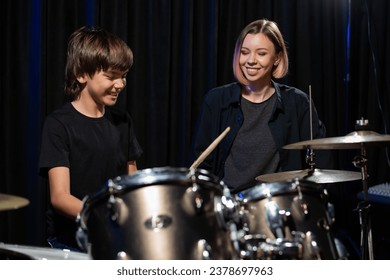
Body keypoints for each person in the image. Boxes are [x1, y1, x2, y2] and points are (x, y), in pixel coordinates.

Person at [191, 19, 332, 194]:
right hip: (228, 208)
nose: (251, 60)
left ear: (277, 58)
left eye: (261, 53)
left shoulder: (298, 103)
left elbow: (322, 165)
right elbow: (201, 168)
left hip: (280, 206)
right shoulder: (216, 100)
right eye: (244, 52)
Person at [38, 26, 143, 251]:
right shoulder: (58, 125)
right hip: (69, 241)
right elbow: (60, 197)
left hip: (113, 239)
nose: (120, 84)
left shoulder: (123, 122)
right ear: (81, 74)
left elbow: (131, 186)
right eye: (111, 76)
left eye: (123, 76)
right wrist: (103, 215)